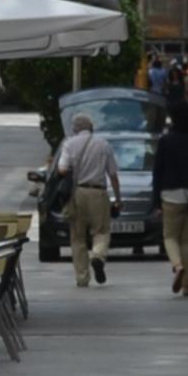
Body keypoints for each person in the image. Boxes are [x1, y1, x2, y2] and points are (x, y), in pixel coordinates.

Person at [53, 112, 120, 286]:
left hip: (77, 194)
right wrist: (118, 198)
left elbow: (61, 169)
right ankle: (97, 255)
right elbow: (112, 174)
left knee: (78, 237)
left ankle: (82, 278)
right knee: (101, 231)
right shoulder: (103, 145)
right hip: (98, 193)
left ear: (75, 129)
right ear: (91, 128)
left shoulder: (69, 144)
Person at [151, 105, 188, 296]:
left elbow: (157, 171)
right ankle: (186, 286)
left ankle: (177, 266)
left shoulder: (166, 141)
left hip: (171, 195)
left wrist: (155, 201)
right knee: (187, 241)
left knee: (170, 237)